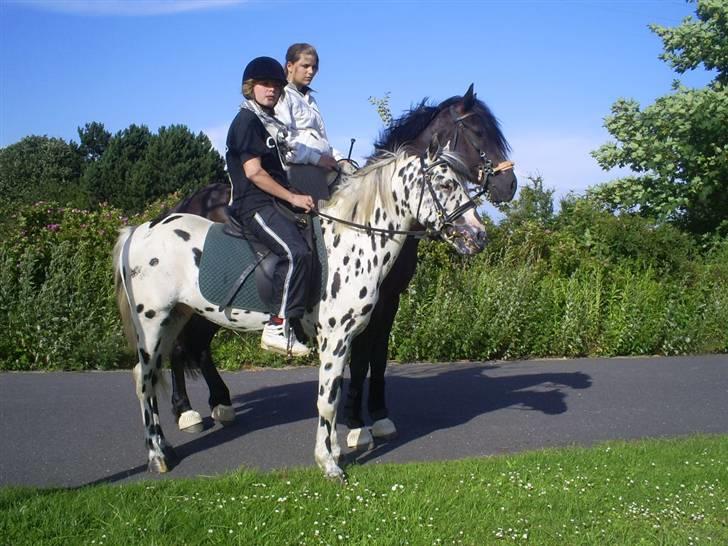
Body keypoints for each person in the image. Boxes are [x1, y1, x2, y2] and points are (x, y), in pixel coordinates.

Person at [225, 56, 315, 357]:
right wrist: (292, 198)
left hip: (273, 199)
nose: (272, 90)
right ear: (251, 87)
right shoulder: (247, 121)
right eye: (265, 84)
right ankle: (277, 326)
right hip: (252, 204)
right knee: (295, 252)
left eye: (277, 85)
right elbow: (254, 173)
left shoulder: (268, 122)